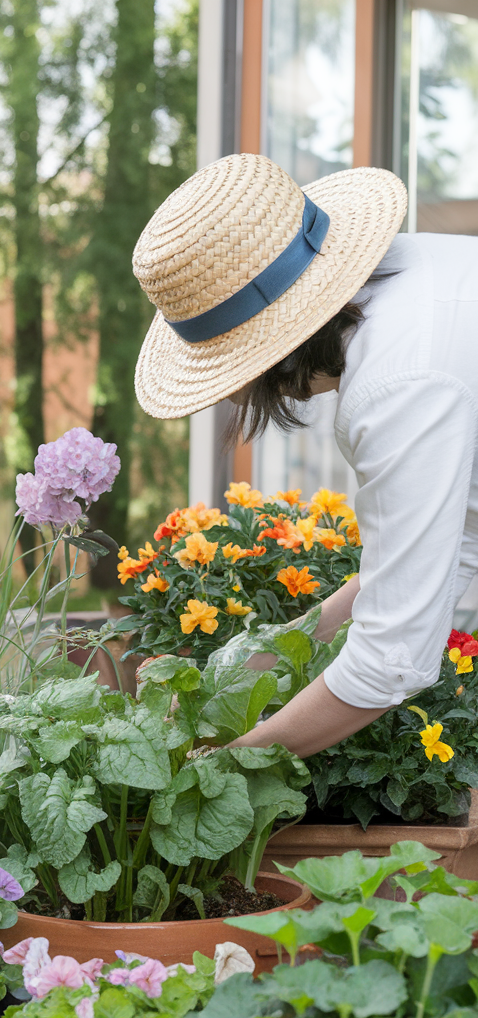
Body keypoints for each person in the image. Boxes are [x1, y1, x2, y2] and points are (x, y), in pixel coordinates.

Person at [131, 152, 478, 759]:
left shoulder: (397, 385)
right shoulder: (419, 277)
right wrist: (232, 675)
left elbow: (390, 660)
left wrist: (226, 761)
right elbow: (462, 549)